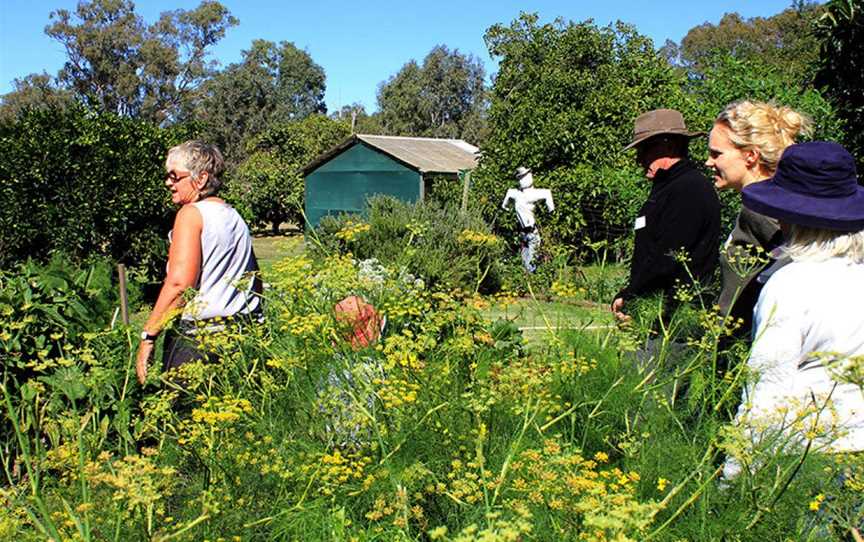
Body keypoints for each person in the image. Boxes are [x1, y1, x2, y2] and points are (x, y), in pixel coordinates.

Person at [722, 141, 864, 479]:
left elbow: (766, 390)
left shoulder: (789, 284)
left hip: (807, 457)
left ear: (790, 215)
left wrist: (734, 475)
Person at [135, 140, 262, 384]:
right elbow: (255, 282)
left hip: (198, 343)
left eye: (175, 176)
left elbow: (180, 285)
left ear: (201, 179)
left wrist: (148, 335)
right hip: (240, 339)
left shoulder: (191, 215)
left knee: (185, 416)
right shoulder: (235, 217)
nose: (168, 183)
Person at [706, 101, 811, 338]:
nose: (708, 162)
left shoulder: (763, 213)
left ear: (750, 156)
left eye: (716, 154)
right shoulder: (760, 207)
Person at [612, 109, 721, 324]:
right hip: (654, 314)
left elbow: (666, 258)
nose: (639, 159)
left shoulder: (689, 189)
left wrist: (631, 296)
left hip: (674, 320)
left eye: (644, 149)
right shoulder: (667, 187)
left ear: (668, 145)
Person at [501, 167, 555, 272]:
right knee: (526, 257)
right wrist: (505, 205)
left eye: (524, 177)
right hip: (524, 232)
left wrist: (551, 208)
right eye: (520, 178)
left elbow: (547, 193)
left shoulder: (531, 194)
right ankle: (528, 279)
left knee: (530, 258)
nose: (522, 180)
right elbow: (506, 200)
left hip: (530, 231)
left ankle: (529, 279)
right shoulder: (516, 193)